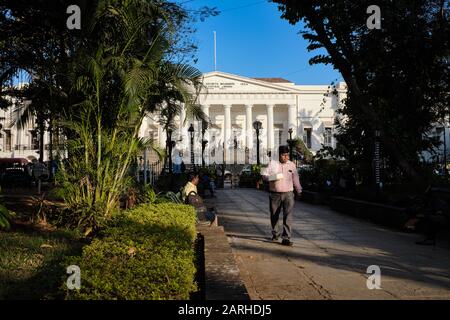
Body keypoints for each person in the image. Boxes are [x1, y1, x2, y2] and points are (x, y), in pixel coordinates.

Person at [262, 145, 302, 246]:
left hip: (288, 193)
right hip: (275, 194)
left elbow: (295, 178)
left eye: (288, 155)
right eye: (284, 155)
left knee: (288, 215)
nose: (286, 157)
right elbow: (264, 175)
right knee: (274, 215)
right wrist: (272, 177)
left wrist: (299, 190)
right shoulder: (272, 163)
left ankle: (286, 238)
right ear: (279, 155)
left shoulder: (292, 165)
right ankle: (276, 234)